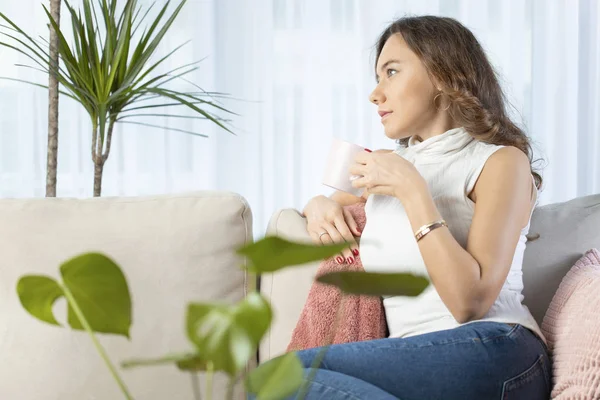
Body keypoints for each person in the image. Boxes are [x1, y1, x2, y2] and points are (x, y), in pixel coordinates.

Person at [293, 15, 551, 400]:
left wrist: (414, 191)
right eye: (377, 77)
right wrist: (317, 206)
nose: (375, 94)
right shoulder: (384, 167)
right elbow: (324, 207)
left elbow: (470, 303)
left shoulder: (499, 162)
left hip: (499, 349)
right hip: (415, 364)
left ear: (443, 75)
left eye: (391, 72)